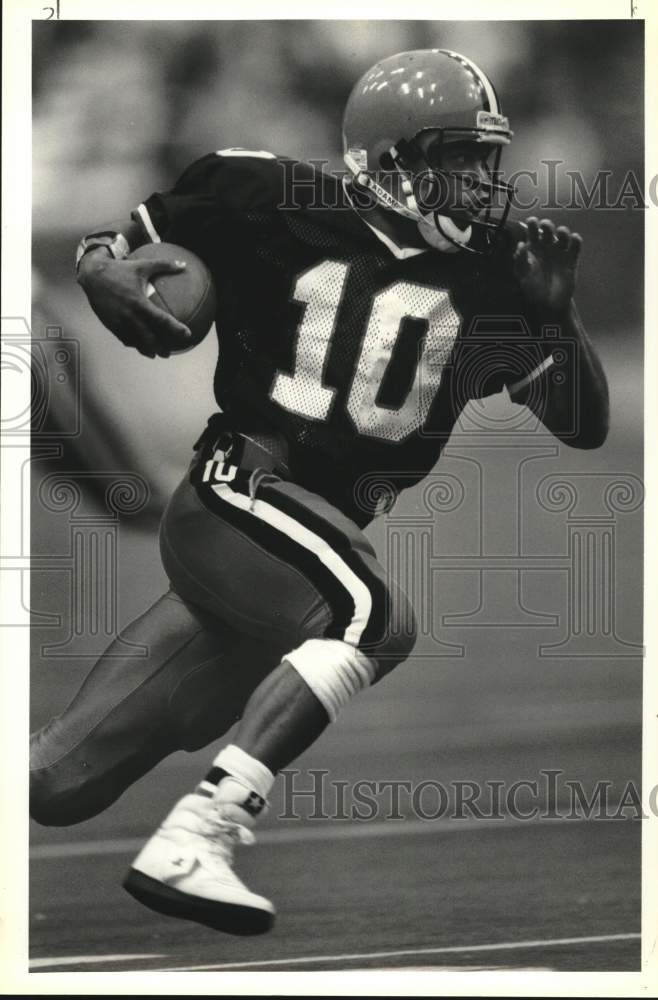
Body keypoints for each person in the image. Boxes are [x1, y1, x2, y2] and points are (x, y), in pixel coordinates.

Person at [30, 48, 609, 935]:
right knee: (374, 618)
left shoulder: (499, 270)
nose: (476, 180)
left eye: (482, 159)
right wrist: (96, 261)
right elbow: (125, 238)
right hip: (239, 488)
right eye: (454, 157)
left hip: (303, 543)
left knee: (57, 783)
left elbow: (581, 425)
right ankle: (198, 836)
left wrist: (557, 317)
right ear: (388, 159)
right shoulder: (267, 198)